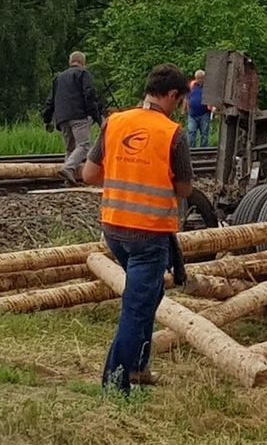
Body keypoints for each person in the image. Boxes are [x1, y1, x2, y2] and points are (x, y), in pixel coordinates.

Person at [83, 64, 194, 395]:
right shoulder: (173, 133)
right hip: (148, 232)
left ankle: (138, 365)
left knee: (148, 295)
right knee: (137, 306)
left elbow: (89, 174)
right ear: (172, 95)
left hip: (114, 226)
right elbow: (185, 189)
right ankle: (115, 384)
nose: (179, 108)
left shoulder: (114, 122)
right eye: (179, 100)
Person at [42, 51, 102, 185]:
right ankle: (67, 169)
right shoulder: (83, 73)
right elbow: (88, 94)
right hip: (78, 115)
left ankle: (67, 181)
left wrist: (47, 119)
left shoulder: (58, 78)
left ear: (70, 62)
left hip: (62, 117)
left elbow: (50, 101)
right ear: (83, 63)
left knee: (70, 148)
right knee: (84, 145)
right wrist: (96, 117)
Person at [185, 69, 213, 148]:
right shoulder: (191, 86)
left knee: (204, 133)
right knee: (191, 132)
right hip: (192, 114)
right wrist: (185, 110)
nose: (200, 80)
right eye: (198, 78)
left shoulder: (208, 88)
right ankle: (191, 150)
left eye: (201, 78)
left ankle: (204, 150)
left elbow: (212, 99)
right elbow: (187, 98)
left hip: (204, 113)